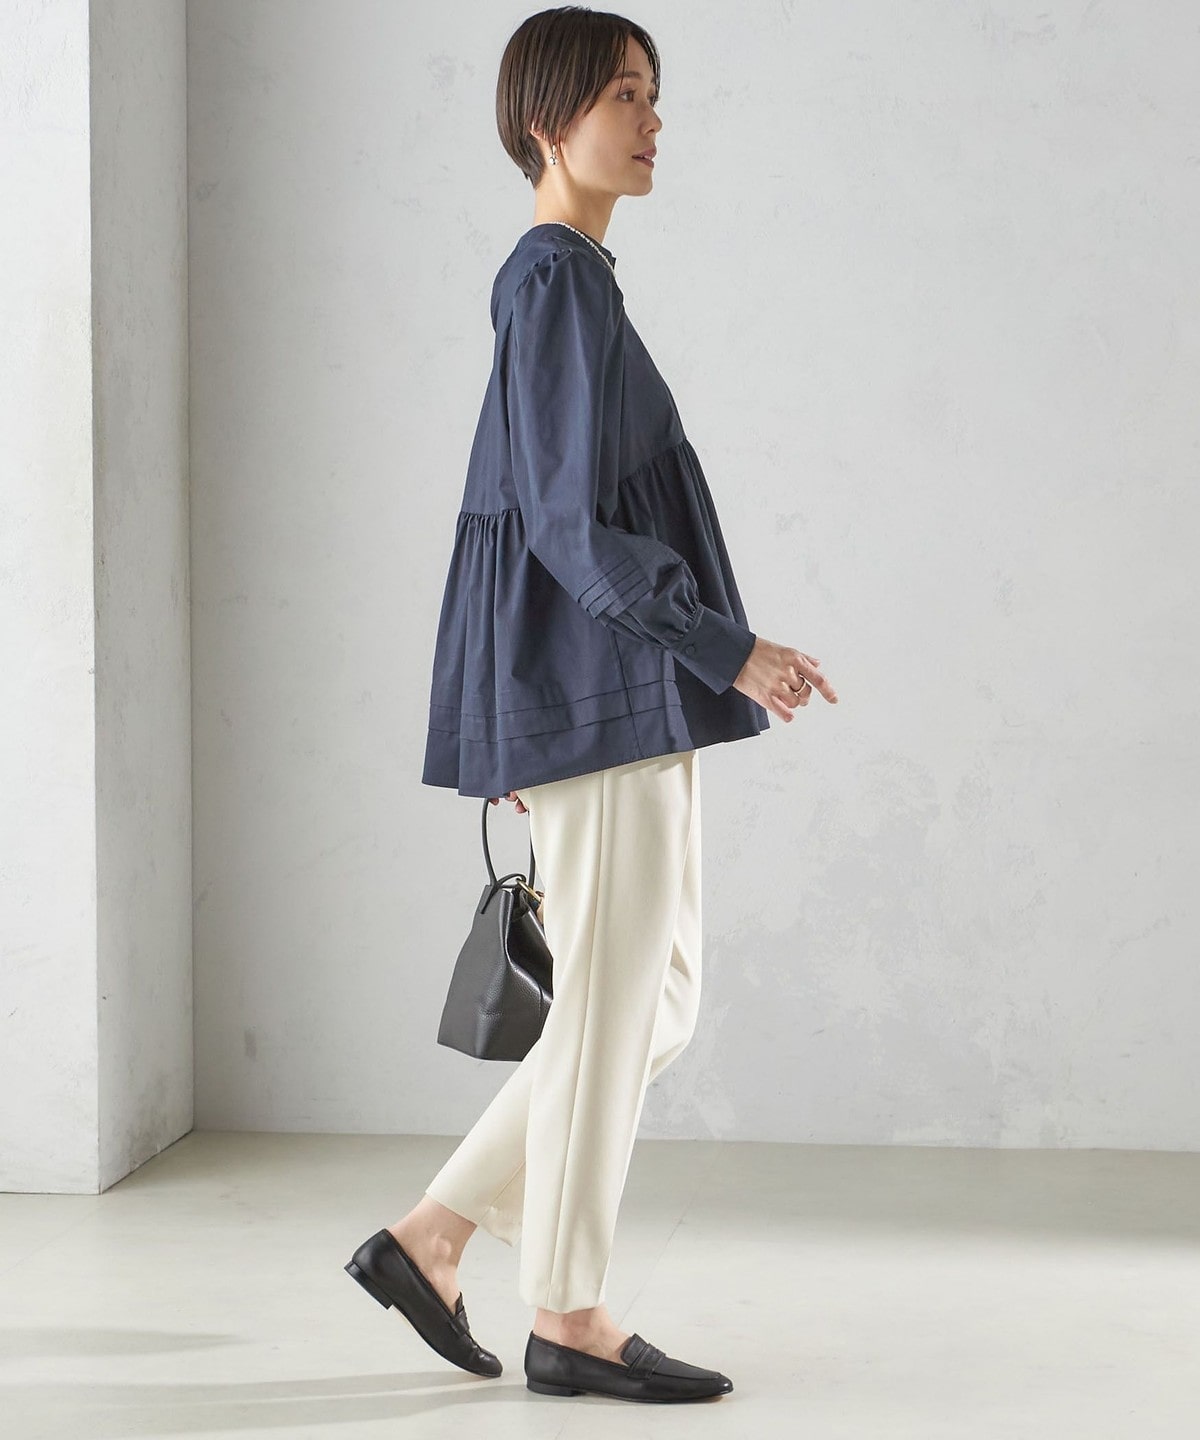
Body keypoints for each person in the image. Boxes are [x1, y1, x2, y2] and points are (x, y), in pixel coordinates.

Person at [345, 5, 838, 1404]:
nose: (653, 119)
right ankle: (567, 1312)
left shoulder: (572, 284)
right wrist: (727, 648)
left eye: (654, 94)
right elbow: (561, 526)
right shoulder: (556, 280)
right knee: (619, 1008)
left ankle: (432, 1237)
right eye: (625, 94)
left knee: (650, 1005)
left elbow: (524, 516)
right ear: (545, 122)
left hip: (611, 696)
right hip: (613, 692)